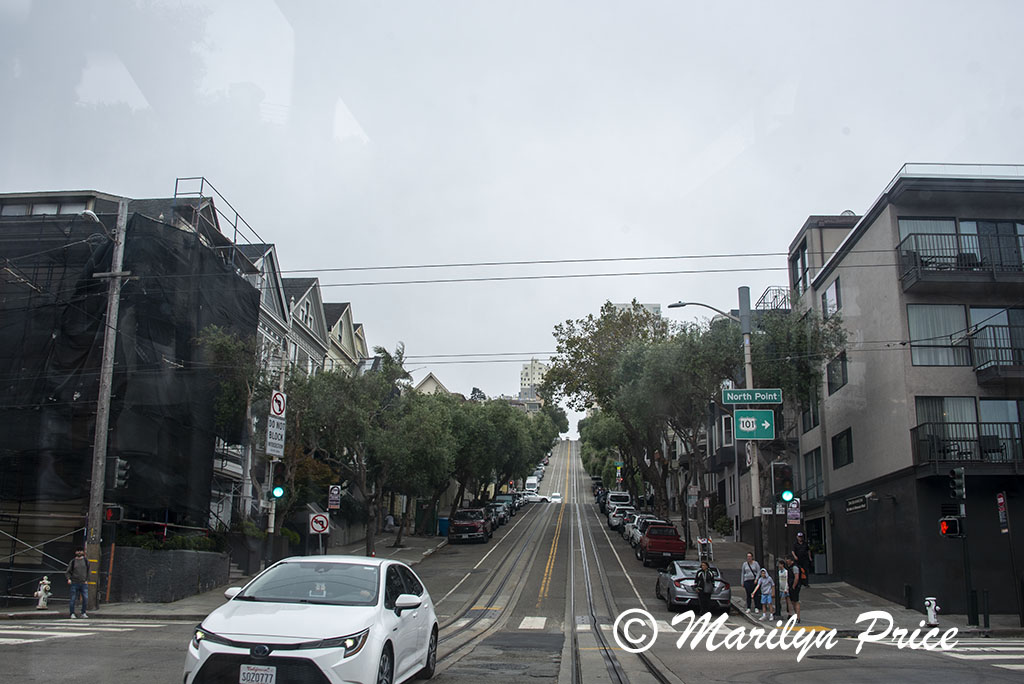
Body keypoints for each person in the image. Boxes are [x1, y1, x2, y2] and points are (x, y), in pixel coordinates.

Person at [65, 549, 88, 619]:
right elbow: (68, 571)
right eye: (78, 551)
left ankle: (83, 612)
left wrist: (87, 580)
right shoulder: (73, 561)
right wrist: (69, 579)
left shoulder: (86, 561)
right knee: (73, 599)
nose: (79, 552)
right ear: (75, 552)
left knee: (85, 598)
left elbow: (88, 571)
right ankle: (72, 613)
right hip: (74, 582)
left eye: (80, 551)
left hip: (83, 583)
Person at [786, 558, 802, 624]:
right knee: (793, 601)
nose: (786, 561)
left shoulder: (794, 567)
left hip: (795, 587)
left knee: (796, 601)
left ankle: (798, 617)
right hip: (791, 586)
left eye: (787, 559)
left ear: (791, 560)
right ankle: (796, 616)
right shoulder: (790, 567)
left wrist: (793, 586)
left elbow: (796, 577)